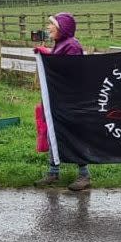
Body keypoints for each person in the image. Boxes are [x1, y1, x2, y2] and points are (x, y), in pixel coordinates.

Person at [33, 12, 92, 191]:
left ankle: (84, 175)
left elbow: (69, 71)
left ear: (62, 28)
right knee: (53, 134)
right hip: (58, 100)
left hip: (70, 101)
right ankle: (53, 172)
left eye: (52, 25)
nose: (48, 28)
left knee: (74, 136)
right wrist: (46, 53)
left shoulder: (72, 45)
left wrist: (49, 58)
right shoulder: (61, 44)